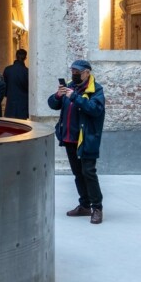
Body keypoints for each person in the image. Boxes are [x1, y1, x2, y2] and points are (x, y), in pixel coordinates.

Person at [48, 59, 106, 224]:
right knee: (78, 173)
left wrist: (75, 97)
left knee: (89, 172)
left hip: (87, 138)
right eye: (72, 71)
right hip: (69, 138)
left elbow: (95, 110)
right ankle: (85, 205)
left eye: (77, 72)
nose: (74, 74)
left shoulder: (96, 90)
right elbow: (52, 104)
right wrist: (57, 95)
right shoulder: (69, 86)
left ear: (87, 72)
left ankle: (97, 208)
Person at [3, 49, 29, 119]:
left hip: (10, 104)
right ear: (25, 58)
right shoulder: (27, 71)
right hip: (23, 105)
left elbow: (4, 87)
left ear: (16, 56)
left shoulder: (8, 70)